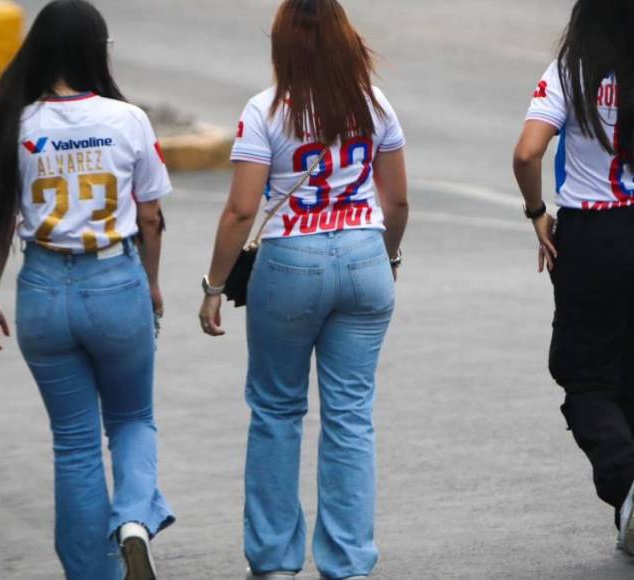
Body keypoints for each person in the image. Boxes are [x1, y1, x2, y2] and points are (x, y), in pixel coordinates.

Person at [0, 1, 174, 578]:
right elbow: (149, 217)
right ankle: (131, 521)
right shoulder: (128, 120)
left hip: (44, 287)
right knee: (132, 419)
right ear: (96, 52)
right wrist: (149, 285)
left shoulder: (17, 125)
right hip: (115, 279)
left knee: (73, 443)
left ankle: (90, 573)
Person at [198, 1, 409, 578]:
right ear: (346, 40)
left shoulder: (265, 110)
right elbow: (397, 200)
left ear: (283, 45)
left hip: (290, 262)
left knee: (275, 409)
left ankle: (272, 559)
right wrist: (388, 256)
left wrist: (214, 285)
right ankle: (347, 561)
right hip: (366, 254)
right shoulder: (375, 103)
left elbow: (243, 209)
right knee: (350, 415)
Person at [512, 0, 634, 557]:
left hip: (594, 238)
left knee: (584, 378)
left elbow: (527, 153)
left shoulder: (567, 75)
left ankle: (629, 479)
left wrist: (537, 213)